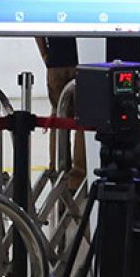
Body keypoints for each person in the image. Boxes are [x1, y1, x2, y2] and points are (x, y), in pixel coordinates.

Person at [35, 36, 87, 191]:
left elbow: (38, 32)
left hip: (55, 62)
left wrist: (46, 55)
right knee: (83, 120)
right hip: (81, 61)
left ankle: (58, 171)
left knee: (58, 117)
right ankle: (78, 178)